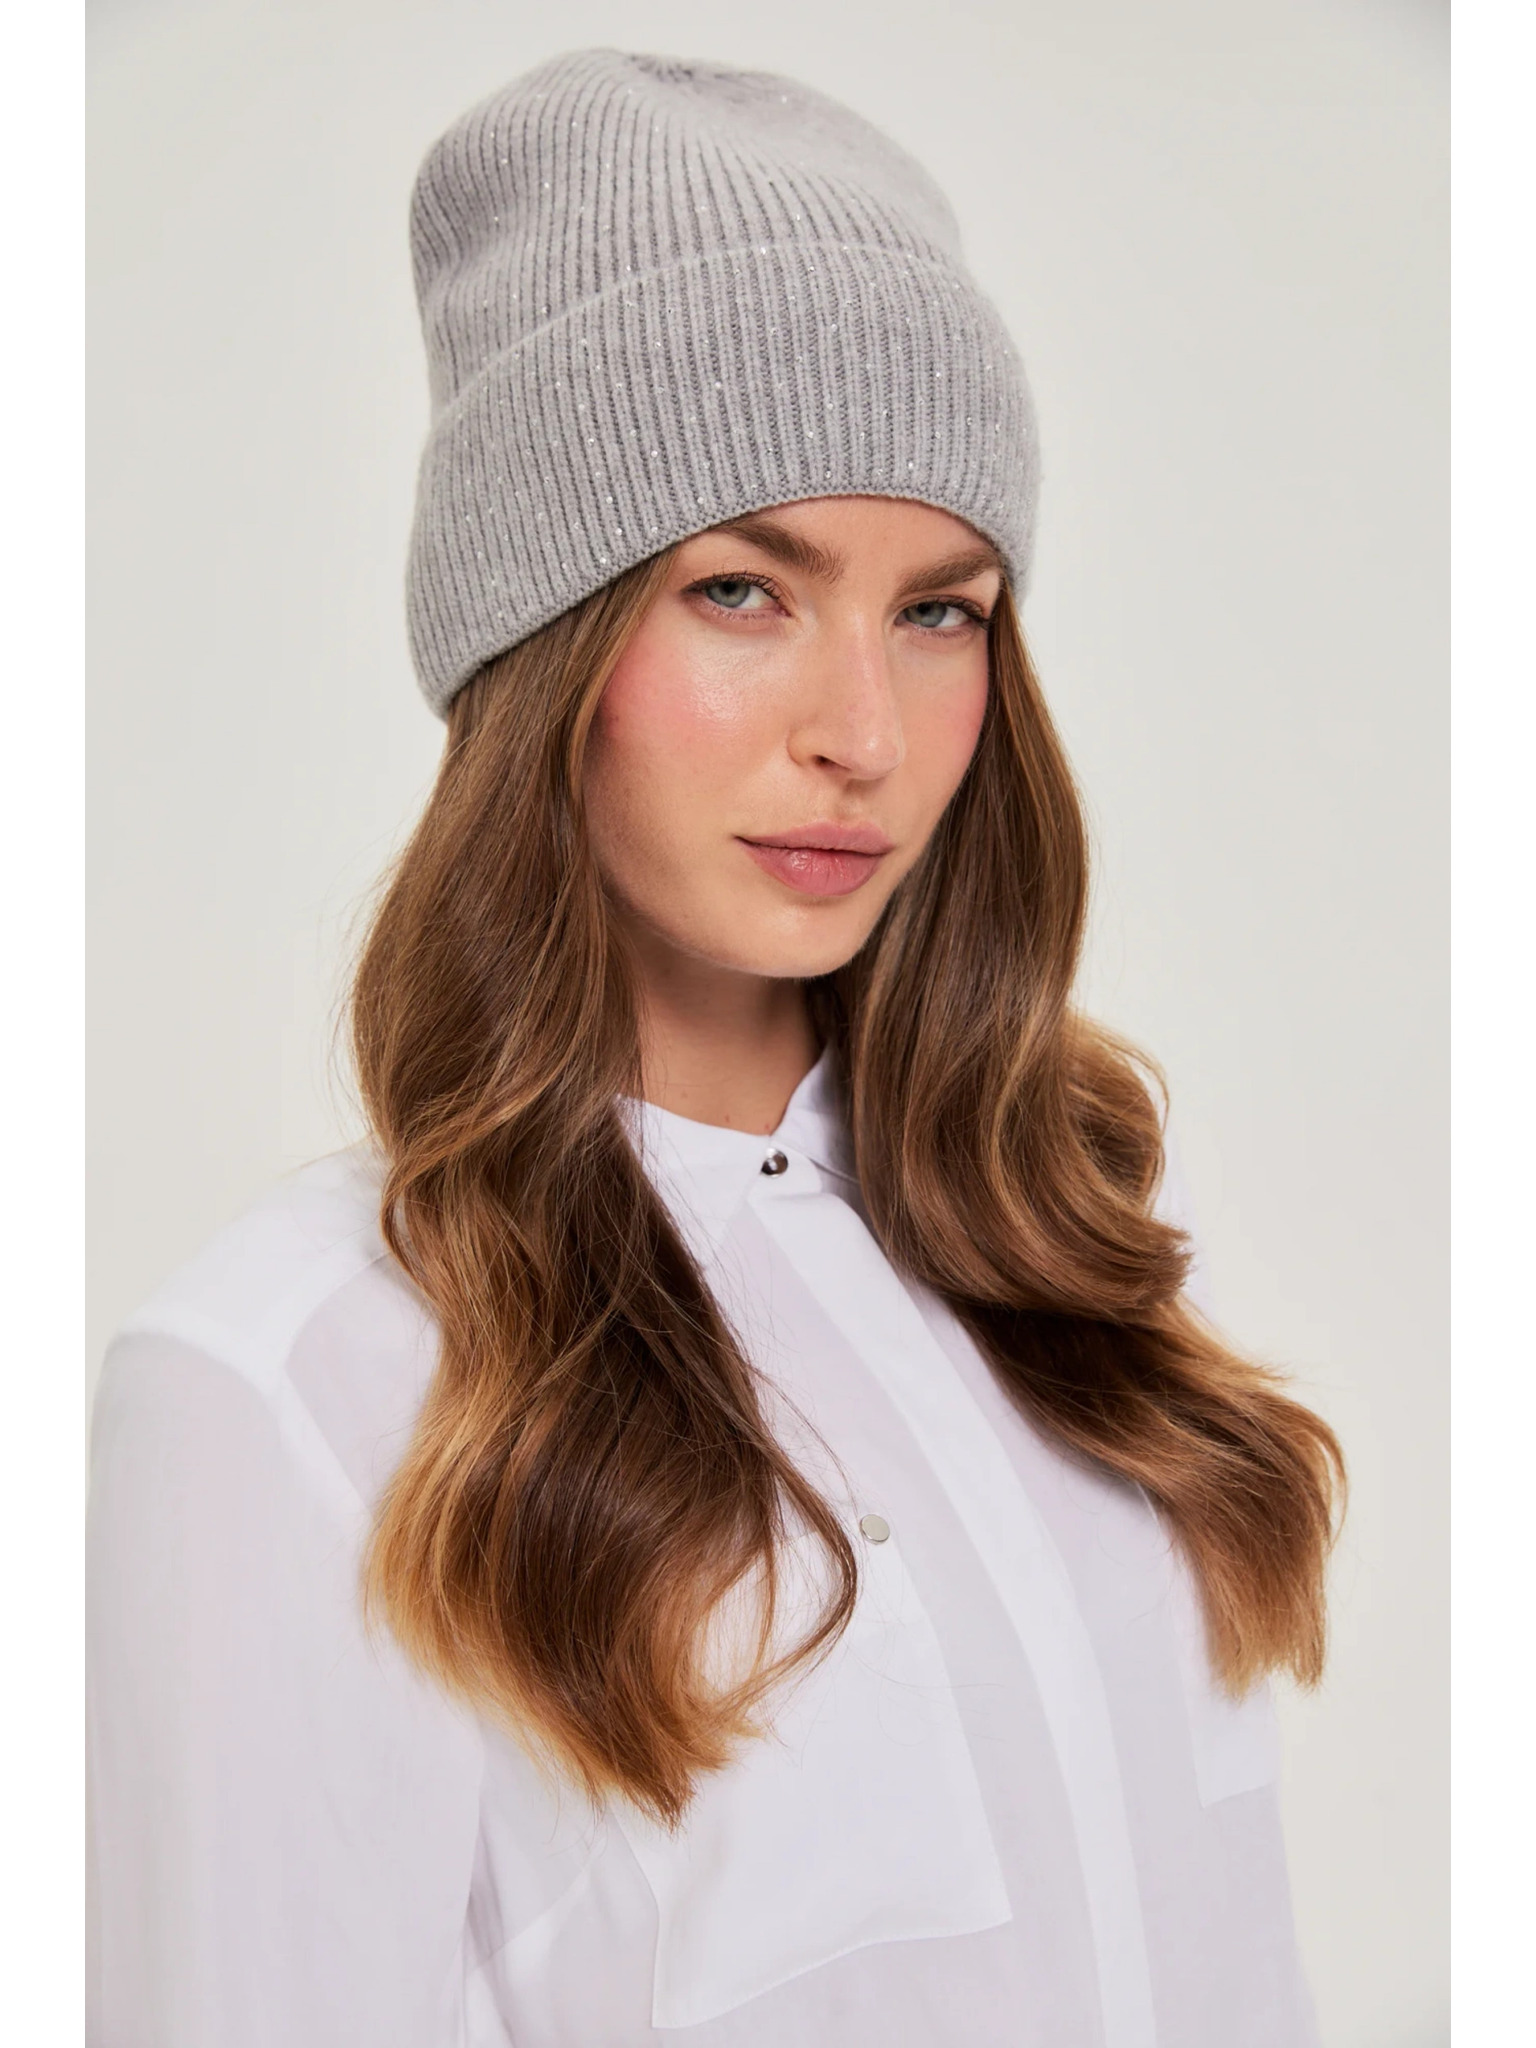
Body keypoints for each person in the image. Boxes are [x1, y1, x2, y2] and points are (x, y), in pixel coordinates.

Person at [85, 47, 1344, 2048]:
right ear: (543, 648)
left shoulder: (1068, 1232)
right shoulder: (294, 1388)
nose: (864, 732)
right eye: (742, 589)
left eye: (942, 612)